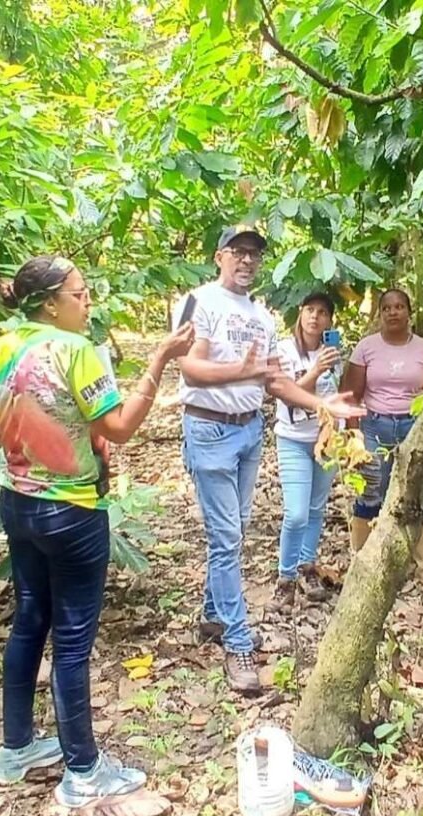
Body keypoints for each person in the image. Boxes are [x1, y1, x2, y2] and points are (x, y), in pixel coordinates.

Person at [0, 256, 194, 805]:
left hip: (18, 505)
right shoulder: (73, 351)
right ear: (50, 302)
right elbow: (118, 428)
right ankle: (83, 771)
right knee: (72, 642)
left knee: (29, 622)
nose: (87, 300)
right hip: (72, 512)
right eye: (80, 293)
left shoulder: (2, 348)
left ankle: (16, 747)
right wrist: (160, 360)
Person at [174, 225, 363, 693]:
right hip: (209, 427)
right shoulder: (201, 301)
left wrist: (321, 404)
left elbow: (274, 382)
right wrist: (239, 371)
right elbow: (189, 367)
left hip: (248, 431)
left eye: (255, 254)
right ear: (220, 257)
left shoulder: (262, 316)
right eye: (238, 252)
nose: (248, 261)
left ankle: (214, 616)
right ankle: (238, 642)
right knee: (228, 537)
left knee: (233, 529)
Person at [343, 288, 423, 592]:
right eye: (387, 308)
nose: (393, 312)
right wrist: (353, 436)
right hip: (375, 425)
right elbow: (352, 394)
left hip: (413, 425)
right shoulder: (366, 347)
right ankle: (360, 560)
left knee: (418, 493)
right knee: (372, 490)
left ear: (409, 312)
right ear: (380, 313)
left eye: (400, 306)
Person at [274, 290, 343, 607]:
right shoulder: (285, 351)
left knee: (316, 509)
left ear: (330, 320)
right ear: (300, 314)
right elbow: (288, 394)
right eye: (310, 310)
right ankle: (285, 576)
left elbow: (338, 397)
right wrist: (316, 370)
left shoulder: (334, 352)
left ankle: (306, 567)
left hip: (326, 441)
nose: (316, 317)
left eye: (323, 312)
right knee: (297, 513)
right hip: (293, 439)